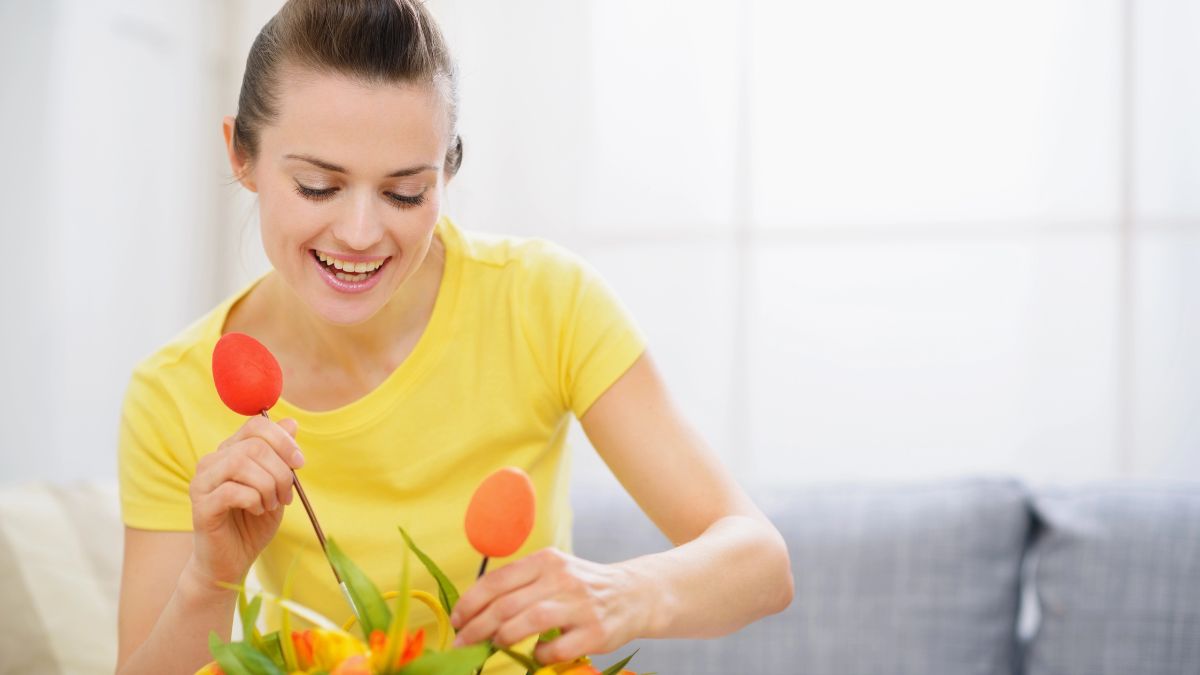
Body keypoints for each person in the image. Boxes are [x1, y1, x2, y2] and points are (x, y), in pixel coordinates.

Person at [114, 1, 793, 673]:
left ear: (447, 170)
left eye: (405, 193)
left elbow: (760, 560)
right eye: (318, 186)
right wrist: (211, 577)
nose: (358, 233)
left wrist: (626, 592)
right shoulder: (173, 393)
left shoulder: (544, 303)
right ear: (241, 155)